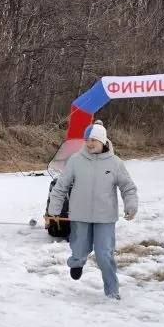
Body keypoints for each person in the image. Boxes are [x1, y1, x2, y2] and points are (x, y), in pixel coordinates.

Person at [46, 122, 138, 300]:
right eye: (87, 140)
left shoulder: (115, 163)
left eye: (94, 140)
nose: (89, 143)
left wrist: (131, 205)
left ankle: (112, 291)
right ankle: (77, 262)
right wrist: (54, 210)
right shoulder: (76, 160)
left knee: (104, 254)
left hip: (105, 217)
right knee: (79, 249)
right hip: (80, 215)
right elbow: (61, 186)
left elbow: (128, 187)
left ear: (103, 141)